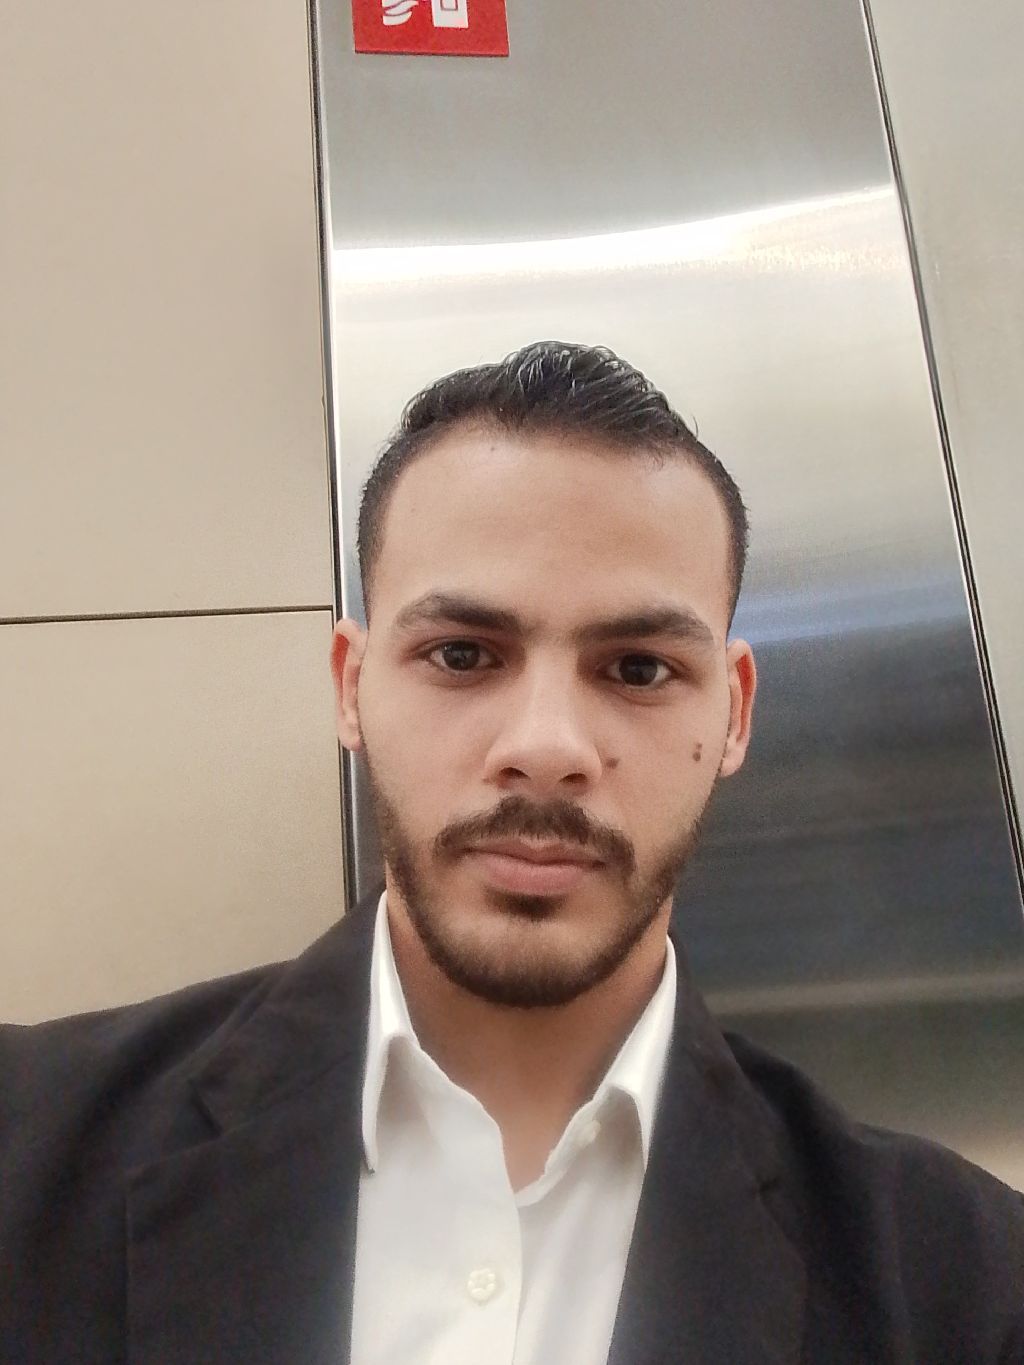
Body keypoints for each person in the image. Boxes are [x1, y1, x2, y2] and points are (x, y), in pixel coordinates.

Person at [2, 342, 1022, 1365]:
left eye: (637, 668)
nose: (545, 746)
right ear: (352, 685)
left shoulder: (969, 1284)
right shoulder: (25, 1144)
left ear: (735, 711)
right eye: (462, 655)